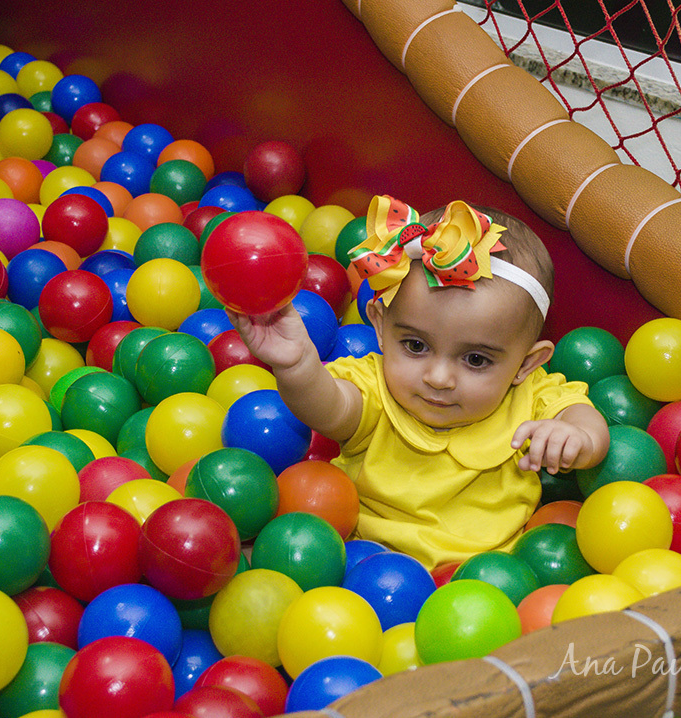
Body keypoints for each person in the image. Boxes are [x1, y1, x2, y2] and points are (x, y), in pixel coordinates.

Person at [231, 195, 610, 568]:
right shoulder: (376, 386)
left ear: (525, 365)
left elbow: (584, 423)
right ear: (379, 326)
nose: (439, 378)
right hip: (357, 563)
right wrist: (296, 364)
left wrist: (576, 439)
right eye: (415, 345)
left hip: (483, 582)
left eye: (476, 360)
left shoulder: (532, 395)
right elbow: (327, 407)